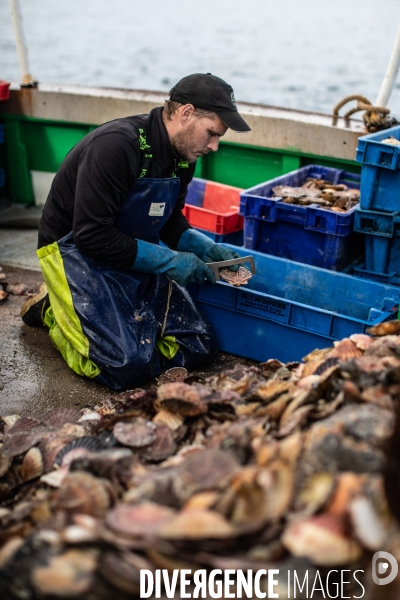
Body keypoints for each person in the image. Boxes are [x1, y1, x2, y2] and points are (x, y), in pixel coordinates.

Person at [20, 73, 251, 390]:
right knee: (125, 367)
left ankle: (99, 319)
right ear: (185, 113)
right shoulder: (116, 146)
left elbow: (168, 220)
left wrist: (201, 246)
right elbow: (90, 235)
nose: (214, 146)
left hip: (132, 252)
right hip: (74, 253)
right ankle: (53, 310)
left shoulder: (183, 158)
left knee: (200, 344)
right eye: (212, 133)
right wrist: (170, 262)